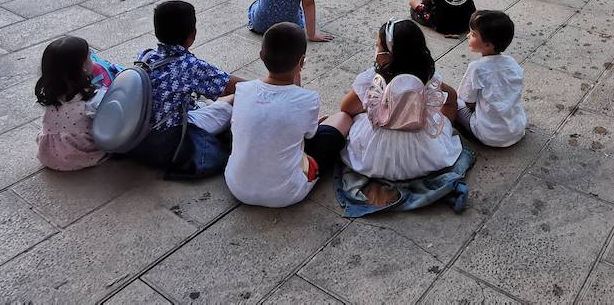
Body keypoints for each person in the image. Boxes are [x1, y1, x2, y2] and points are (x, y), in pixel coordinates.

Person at [224, 23, 352, 208]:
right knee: (342, 120)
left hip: (237, 186)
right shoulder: (309, 99)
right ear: (301, 62)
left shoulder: (242, 90)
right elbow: (310, 137)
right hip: (285, 193)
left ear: (261, 56)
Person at [126, 1, 242, 174]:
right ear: (192, 34)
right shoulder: (190, 66)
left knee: (207, 100)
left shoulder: (145, 55)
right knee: (234, 100)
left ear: (157, 32)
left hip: (139, 131)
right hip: (170, 136)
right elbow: (238, 86)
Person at [339, 19, 462, 181]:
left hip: (376, 156)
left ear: (386, 55)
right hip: (424, 155)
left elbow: (346, 107)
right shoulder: (427, 76)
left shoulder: (373, 78)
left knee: (352, 118)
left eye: (378, 46)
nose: (375, 49)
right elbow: (452, 96)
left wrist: (374, 107)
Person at [35, 36, 121, 171]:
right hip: (81, 155)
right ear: (83, 67)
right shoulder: (93, 97)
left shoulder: (49, 95)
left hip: (48, 155)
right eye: (89, 57)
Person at [454, 11, 526, 147]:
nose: (468, 36)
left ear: (488, 45)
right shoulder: (512, 63)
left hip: (489, 135)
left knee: (454, 100)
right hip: (517, 129)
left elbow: (468, 102)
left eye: (473, 34)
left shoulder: (477, 68)